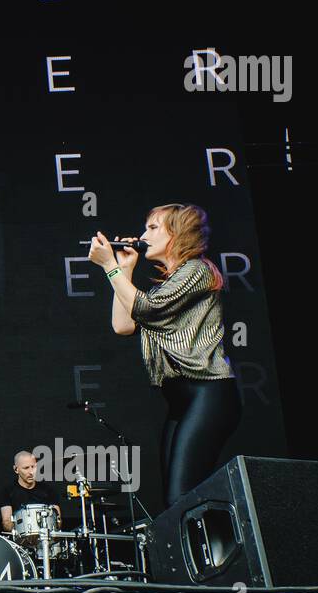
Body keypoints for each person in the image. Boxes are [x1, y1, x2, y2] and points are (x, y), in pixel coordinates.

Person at [89, 202, 241, 507]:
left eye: (153, 228)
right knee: (175, 501)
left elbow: (148, 309)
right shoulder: (167, 284)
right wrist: (125, 270)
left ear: (178, 234)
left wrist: (110, 267)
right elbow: (123, 324)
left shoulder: (197, 270)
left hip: (207, 393)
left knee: (181, 497)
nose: (144, 234)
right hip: (179, 400)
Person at [0, 451, 62, 534]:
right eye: (26, 468)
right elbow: (6, 523)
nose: (31, 472)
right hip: (20, 540)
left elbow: (58, 521)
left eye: (33, 467)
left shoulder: (48, 490)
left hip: (46, 539)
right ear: (16, 469)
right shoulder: (7, 491)